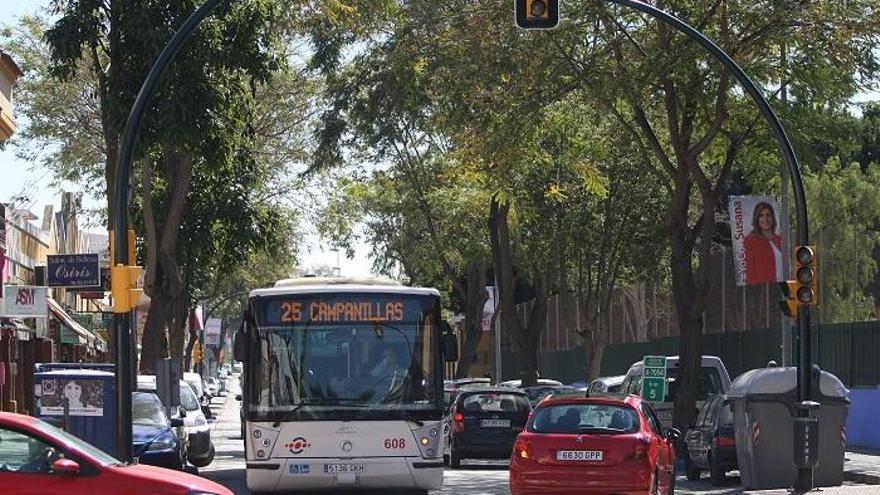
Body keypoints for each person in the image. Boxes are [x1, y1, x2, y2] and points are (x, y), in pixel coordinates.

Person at [744, 201, 784, 285]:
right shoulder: (750, 241)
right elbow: (750, 271)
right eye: (761, 216)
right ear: (756, 219)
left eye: (768, 215)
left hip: (784, 286)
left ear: (773, 218)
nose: (765, 219)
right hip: (763, 290)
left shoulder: (780, 239)